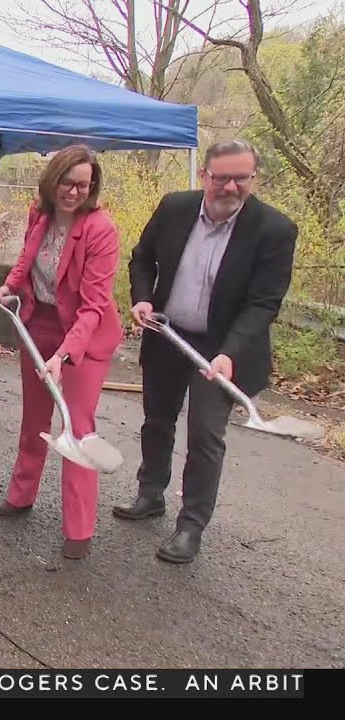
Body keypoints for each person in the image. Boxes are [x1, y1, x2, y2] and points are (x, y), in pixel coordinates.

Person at [115, 139, 297, 563]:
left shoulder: (274, 230)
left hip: (223, 351)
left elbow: (264, 303)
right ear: (204, 175)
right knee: (157, 420)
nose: (231, 187)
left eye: (241, 178)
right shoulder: (175, 207)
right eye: (222, 178)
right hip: (168, 335)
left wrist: (230, 352)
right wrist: (142, 298)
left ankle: (191, 525)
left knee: (205, 436)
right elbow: (142, 258)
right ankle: (150, 493)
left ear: (253, 178)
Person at [0, 144, 123, 560]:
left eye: (84, 185)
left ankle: (78, 529)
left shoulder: (101, 230)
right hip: (40, 323)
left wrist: (63, 356)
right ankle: (21, 494)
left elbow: (94, 306)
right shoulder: (39, 213)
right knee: (34, 418)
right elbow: (26, 259)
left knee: (76, 425)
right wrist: (10, 287)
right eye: (67, 183)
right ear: (53, 182)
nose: (74, 192)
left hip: (85, 335)